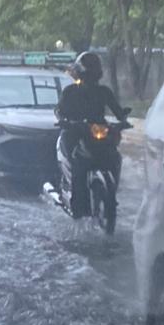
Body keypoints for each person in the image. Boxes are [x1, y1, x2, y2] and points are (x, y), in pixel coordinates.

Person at [56, 51, 128, 218]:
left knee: (115, 157)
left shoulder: (104, 92)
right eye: (89, 73)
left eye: (94, 73)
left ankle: (110, 194)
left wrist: (122, 121)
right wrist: (65, 121)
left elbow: (117, 111)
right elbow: (59, 111)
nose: (91, 77)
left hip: (99, 133)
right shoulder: (70, 91)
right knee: (78, 164)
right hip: (76, 132)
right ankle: (77, 204)